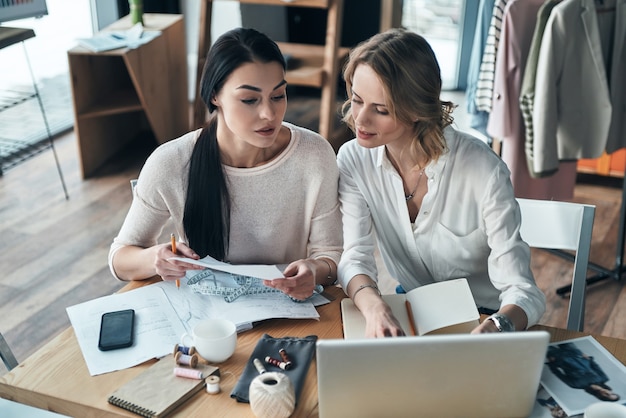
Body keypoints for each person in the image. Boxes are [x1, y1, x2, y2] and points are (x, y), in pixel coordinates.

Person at [336, 28, 546, 337]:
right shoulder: (354, 159)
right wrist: (374, 307)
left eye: (381, 110)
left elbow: (523, 291)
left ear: (417, 110)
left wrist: (495, 327)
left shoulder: (482, 171)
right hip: (411, 311)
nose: (360, 120)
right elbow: (354, 257)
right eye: (356, 100)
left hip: (484, 317)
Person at [108, 27, 342, 301]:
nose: (269, 114)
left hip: (288, 307)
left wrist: (314, 270)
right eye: (249, 100)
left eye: (278, 96)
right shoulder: (171, 163)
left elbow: (331, 255)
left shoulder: (314, 155)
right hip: (205, 312)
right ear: (215, 96)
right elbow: (120, 258)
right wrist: (155, 258)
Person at [546, 343, 620, 402]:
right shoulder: (604, 378)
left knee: (544, 342)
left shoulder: (576, 385)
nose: (608, 393)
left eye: (607, 396)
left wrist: (552, 363)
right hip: (575, 352)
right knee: (563, 335)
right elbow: (596, 367)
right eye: (612, 394)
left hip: (558, 358)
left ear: (601, 397)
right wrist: (587, 358)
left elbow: (559, 374)